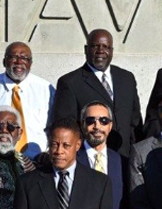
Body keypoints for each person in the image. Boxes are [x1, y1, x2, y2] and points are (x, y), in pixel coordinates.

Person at [52, 29, 144, 158]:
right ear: (86, 49)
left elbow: (135, 121)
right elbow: (67, 127)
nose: (101, 50)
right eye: (95, 46)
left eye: (106, 47)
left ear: (112, 51)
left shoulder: (126, 78)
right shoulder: (70, 82)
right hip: (90, 158)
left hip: (124, 158)